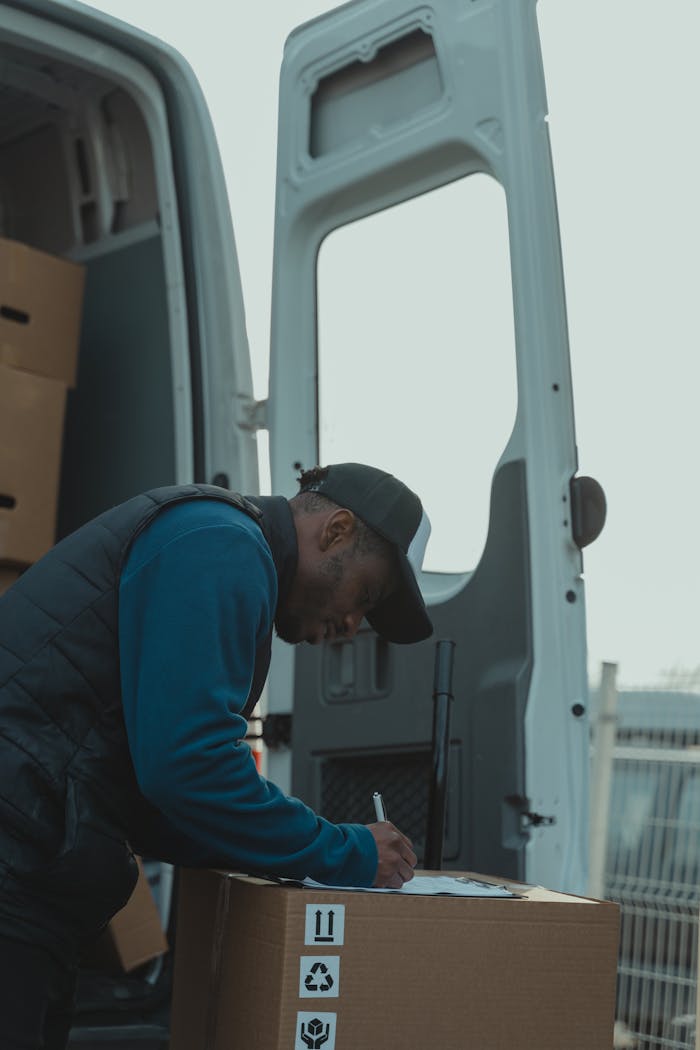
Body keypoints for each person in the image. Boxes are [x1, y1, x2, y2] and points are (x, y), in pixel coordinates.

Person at [0, 461, 433, 1048]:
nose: (352, 625)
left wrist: (293, 850)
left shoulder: (221, 545)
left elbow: (163, 801)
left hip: (32, 885)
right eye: (366, 595)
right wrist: (347, 852)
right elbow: (190, 767)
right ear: (335, 531)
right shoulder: (222, 544)